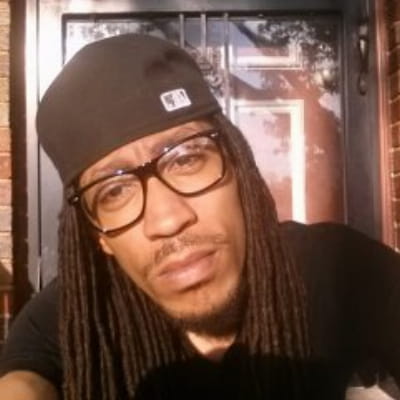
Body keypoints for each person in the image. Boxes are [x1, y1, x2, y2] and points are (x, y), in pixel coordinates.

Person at [0, 33, 400, 400]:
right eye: (114, 191)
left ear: (239, 169)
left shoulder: (340, 269)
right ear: (99, 236)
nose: (167, 220)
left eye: (187, 159)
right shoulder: (78, 311)